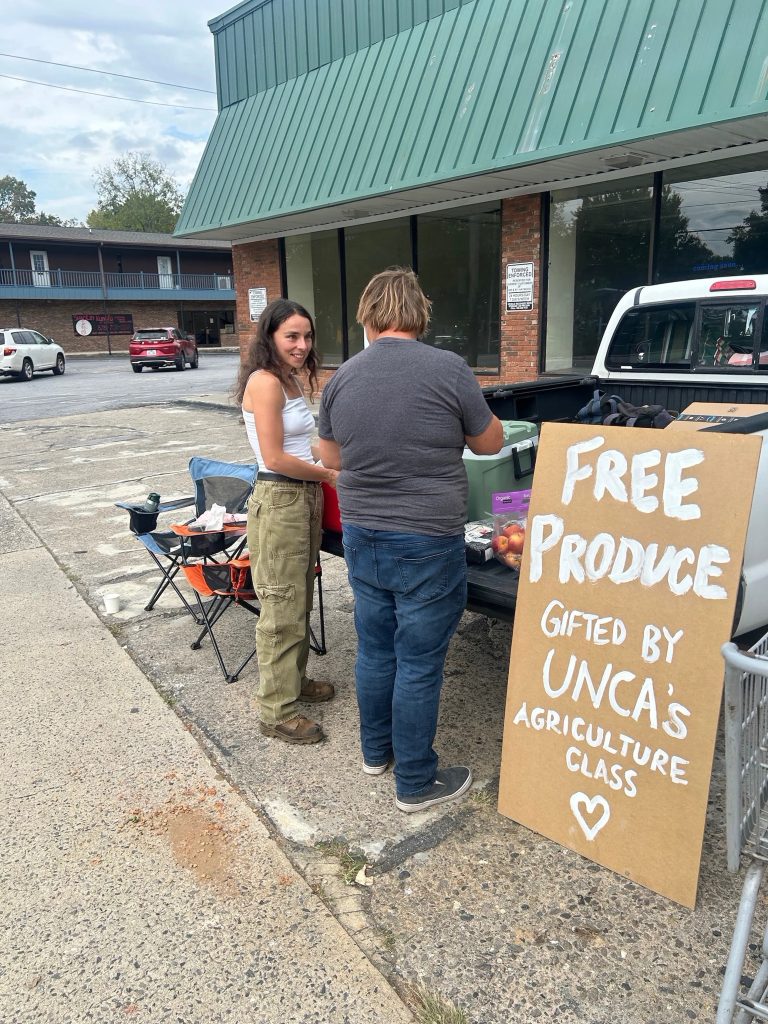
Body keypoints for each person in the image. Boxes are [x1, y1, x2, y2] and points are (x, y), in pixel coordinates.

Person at [317, 268, 503, 812]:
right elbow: (491, 443)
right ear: (419, 313)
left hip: (362, 536)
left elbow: (330, 459)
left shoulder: (343, 377)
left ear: (370, 314)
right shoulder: (448, 368)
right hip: (426, 537)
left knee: (375, 650)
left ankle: (376, 754)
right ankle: (416, 782)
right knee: (418, 662)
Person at [235, 298, 340, 745]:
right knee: (280, 608)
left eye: (307, 336)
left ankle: (293, 685)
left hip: (302, 497)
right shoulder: (265, 383)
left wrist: (339, 458)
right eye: (291, 336)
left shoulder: (290, 380)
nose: (301, 345)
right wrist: (328, 473)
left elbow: (306, 445)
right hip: (280, 498)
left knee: (298, 599)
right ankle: (276, 711)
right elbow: (276, 457)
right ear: (270, 338)